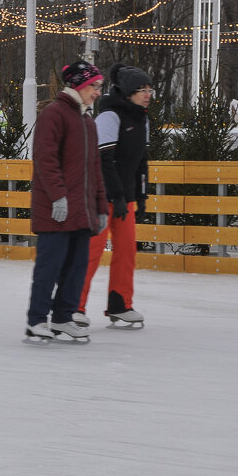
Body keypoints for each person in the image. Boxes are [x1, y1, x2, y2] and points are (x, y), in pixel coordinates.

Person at [24, 60, 108, 343]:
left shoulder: (87, 121)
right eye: (94, 86)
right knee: (50, 267)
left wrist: (101, 207)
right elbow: (45, 160)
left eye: (100, 86)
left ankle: (63, 317)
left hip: (82, 212)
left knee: (76, 267)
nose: (98, 92)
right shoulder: (54, 114)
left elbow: (94, 169)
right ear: (79, 85)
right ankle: (37, 320)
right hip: (56, 211)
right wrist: (58, 197)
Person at [76, 63, 152, 329]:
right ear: (128, 92)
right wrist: (116, 196)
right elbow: (103, 161)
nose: (147, 94)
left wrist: (141, 196)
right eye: (141, 89)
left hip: (126, 199)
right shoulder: (109, 117)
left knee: (127, 251)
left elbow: (141, 162)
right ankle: (74, 306)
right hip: (100, 197)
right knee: (91, 253)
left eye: (149, 88)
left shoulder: (142, 119)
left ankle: (120, 304)